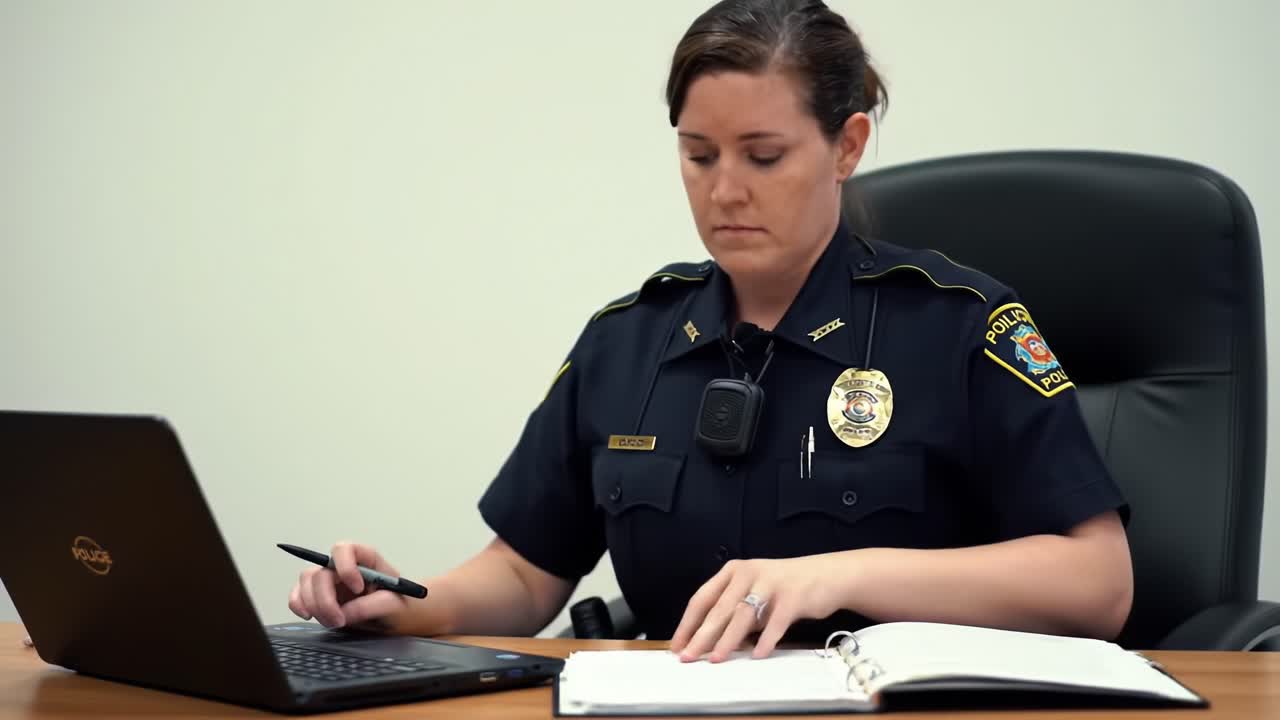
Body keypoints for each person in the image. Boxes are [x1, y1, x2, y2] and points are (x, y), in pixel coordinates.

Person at [287, 0, 1133, 663]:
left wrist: (836, 576)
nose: (725, 191)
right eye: (699, 156)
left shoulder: (959, 324)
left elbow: (1099, 583)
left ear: (847, 145)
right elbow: (522, 571)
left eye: (763, 157)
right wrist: (405, 602)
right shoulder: (627, 340)